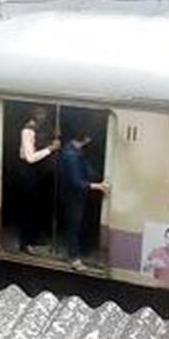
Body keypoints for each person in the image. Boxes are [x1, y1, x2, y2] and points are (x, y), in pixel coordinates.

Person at [57, 132, 109, 265]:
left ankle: (77, 251)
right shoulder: (71, 156)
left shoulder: (74, 151)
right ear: (85, 138)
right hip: (73, 196)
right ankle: (73, 257)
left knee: (75, 225)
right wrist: (97, 186)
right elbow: (76, 182)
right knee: (73, 226)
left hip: (73, 195)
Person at [17, 106, 59, 255]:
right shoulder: (27, 131)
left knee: (36, 207)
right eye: (40, 114)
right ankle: (25, 243)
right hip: (28, 171)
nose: (43, 117)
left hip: (37, 172)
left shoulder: (40, 128)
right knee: (28, 208)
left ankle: (33, 238)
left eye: (44, 114)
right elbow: (30, 157)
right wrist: (50, 149)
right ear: (33, 116)